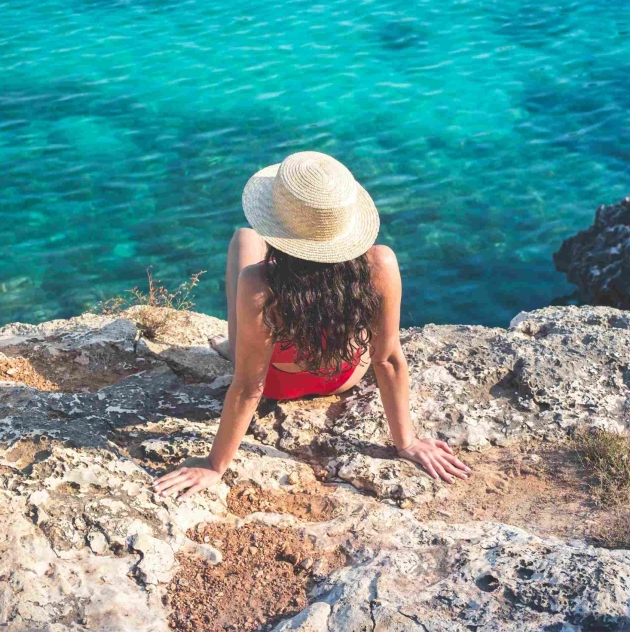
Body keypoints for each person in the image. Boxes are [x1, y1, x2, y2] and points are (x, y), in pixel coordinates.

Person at [153, 152, 470, 500]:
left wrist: (216, 465)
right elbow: (388, 359)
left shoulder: (259, 284)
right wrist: (406, 442)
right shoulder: (381, 264)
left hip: (276, 383)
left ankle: (234, 345)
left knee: (244, 238)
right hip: (342, 376)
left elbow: (248, 386)